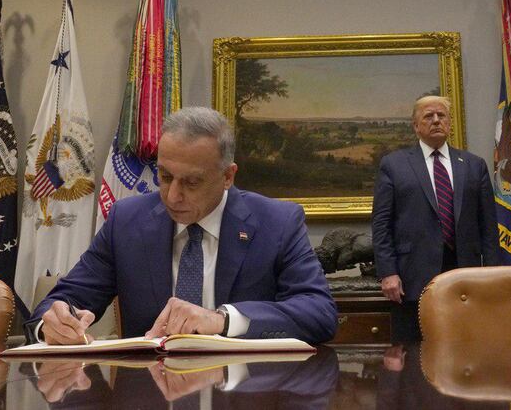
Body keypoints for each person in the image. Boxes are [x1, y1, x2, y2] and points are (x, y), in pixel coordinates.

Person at [25, 106, 337, 345]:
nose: (173, 196)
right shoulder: (126, 222)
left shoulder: (277, 223)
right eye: (165, 177)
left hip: (244, 395)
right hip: (150, 395)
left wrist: (223, 320)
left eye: (192, 182)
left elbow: (319, 313)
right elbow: (63, 300)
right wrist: (51, 323)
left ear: (228, 176)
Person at [372, 95, 498, 342]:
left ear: (450, 124)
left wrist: (492, 274)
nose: (436, 120)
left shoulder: (474, 165)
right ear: (416, 126)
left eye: (442, 116)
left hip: (466, 276)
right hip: (412, 278)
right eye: (429, 116)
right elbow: (381, 224)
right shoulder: (394, 165)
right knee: (413, 358)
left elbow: (489, 227)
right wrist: (387, 272)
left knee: (467, 350)